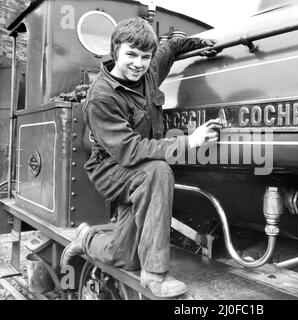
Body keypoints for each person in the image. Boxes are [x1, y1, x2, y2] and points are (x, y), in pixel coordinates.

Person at [60, 17, 222, 298]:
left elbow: (170, 48)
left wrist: (200, 44)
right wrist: (189, 141)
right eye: (131, 55)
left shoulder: (148, 70)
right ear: (115, 51)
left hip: (139, 169)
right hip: (111, 168)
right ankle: (155, 274)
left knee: (126, 257)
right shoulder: (101, 97)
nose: (138, 63)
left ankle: (85, 239)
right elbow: (128, 150)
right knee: (158, 171)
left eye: (144, 57)